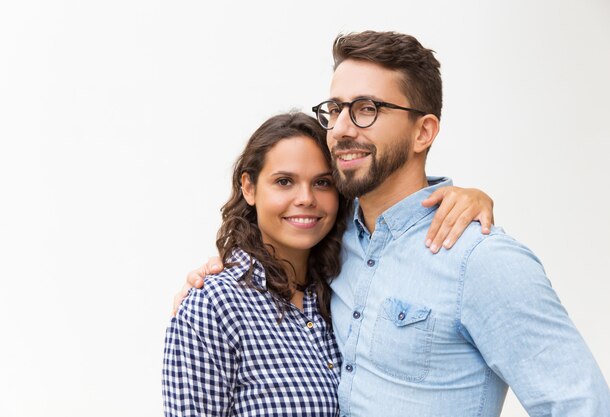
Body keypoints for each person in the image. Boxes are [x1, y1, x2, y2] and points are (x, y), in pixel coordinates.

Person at [178, 31, 610, 416]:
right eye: (336, 109)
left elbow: (581, 405)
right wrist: (219, 271)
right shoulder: (334, 240)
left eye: (367, 109)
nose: (342, 129)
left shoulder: (480, 259)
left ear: (424, 132)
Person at [163, 111, 495, 417]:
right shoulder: (213, 306)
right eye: (284, 181)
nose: (306, 198)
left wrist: (470, 196)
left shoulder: (345, 284)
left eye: (323, 182)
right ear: (249, 187)